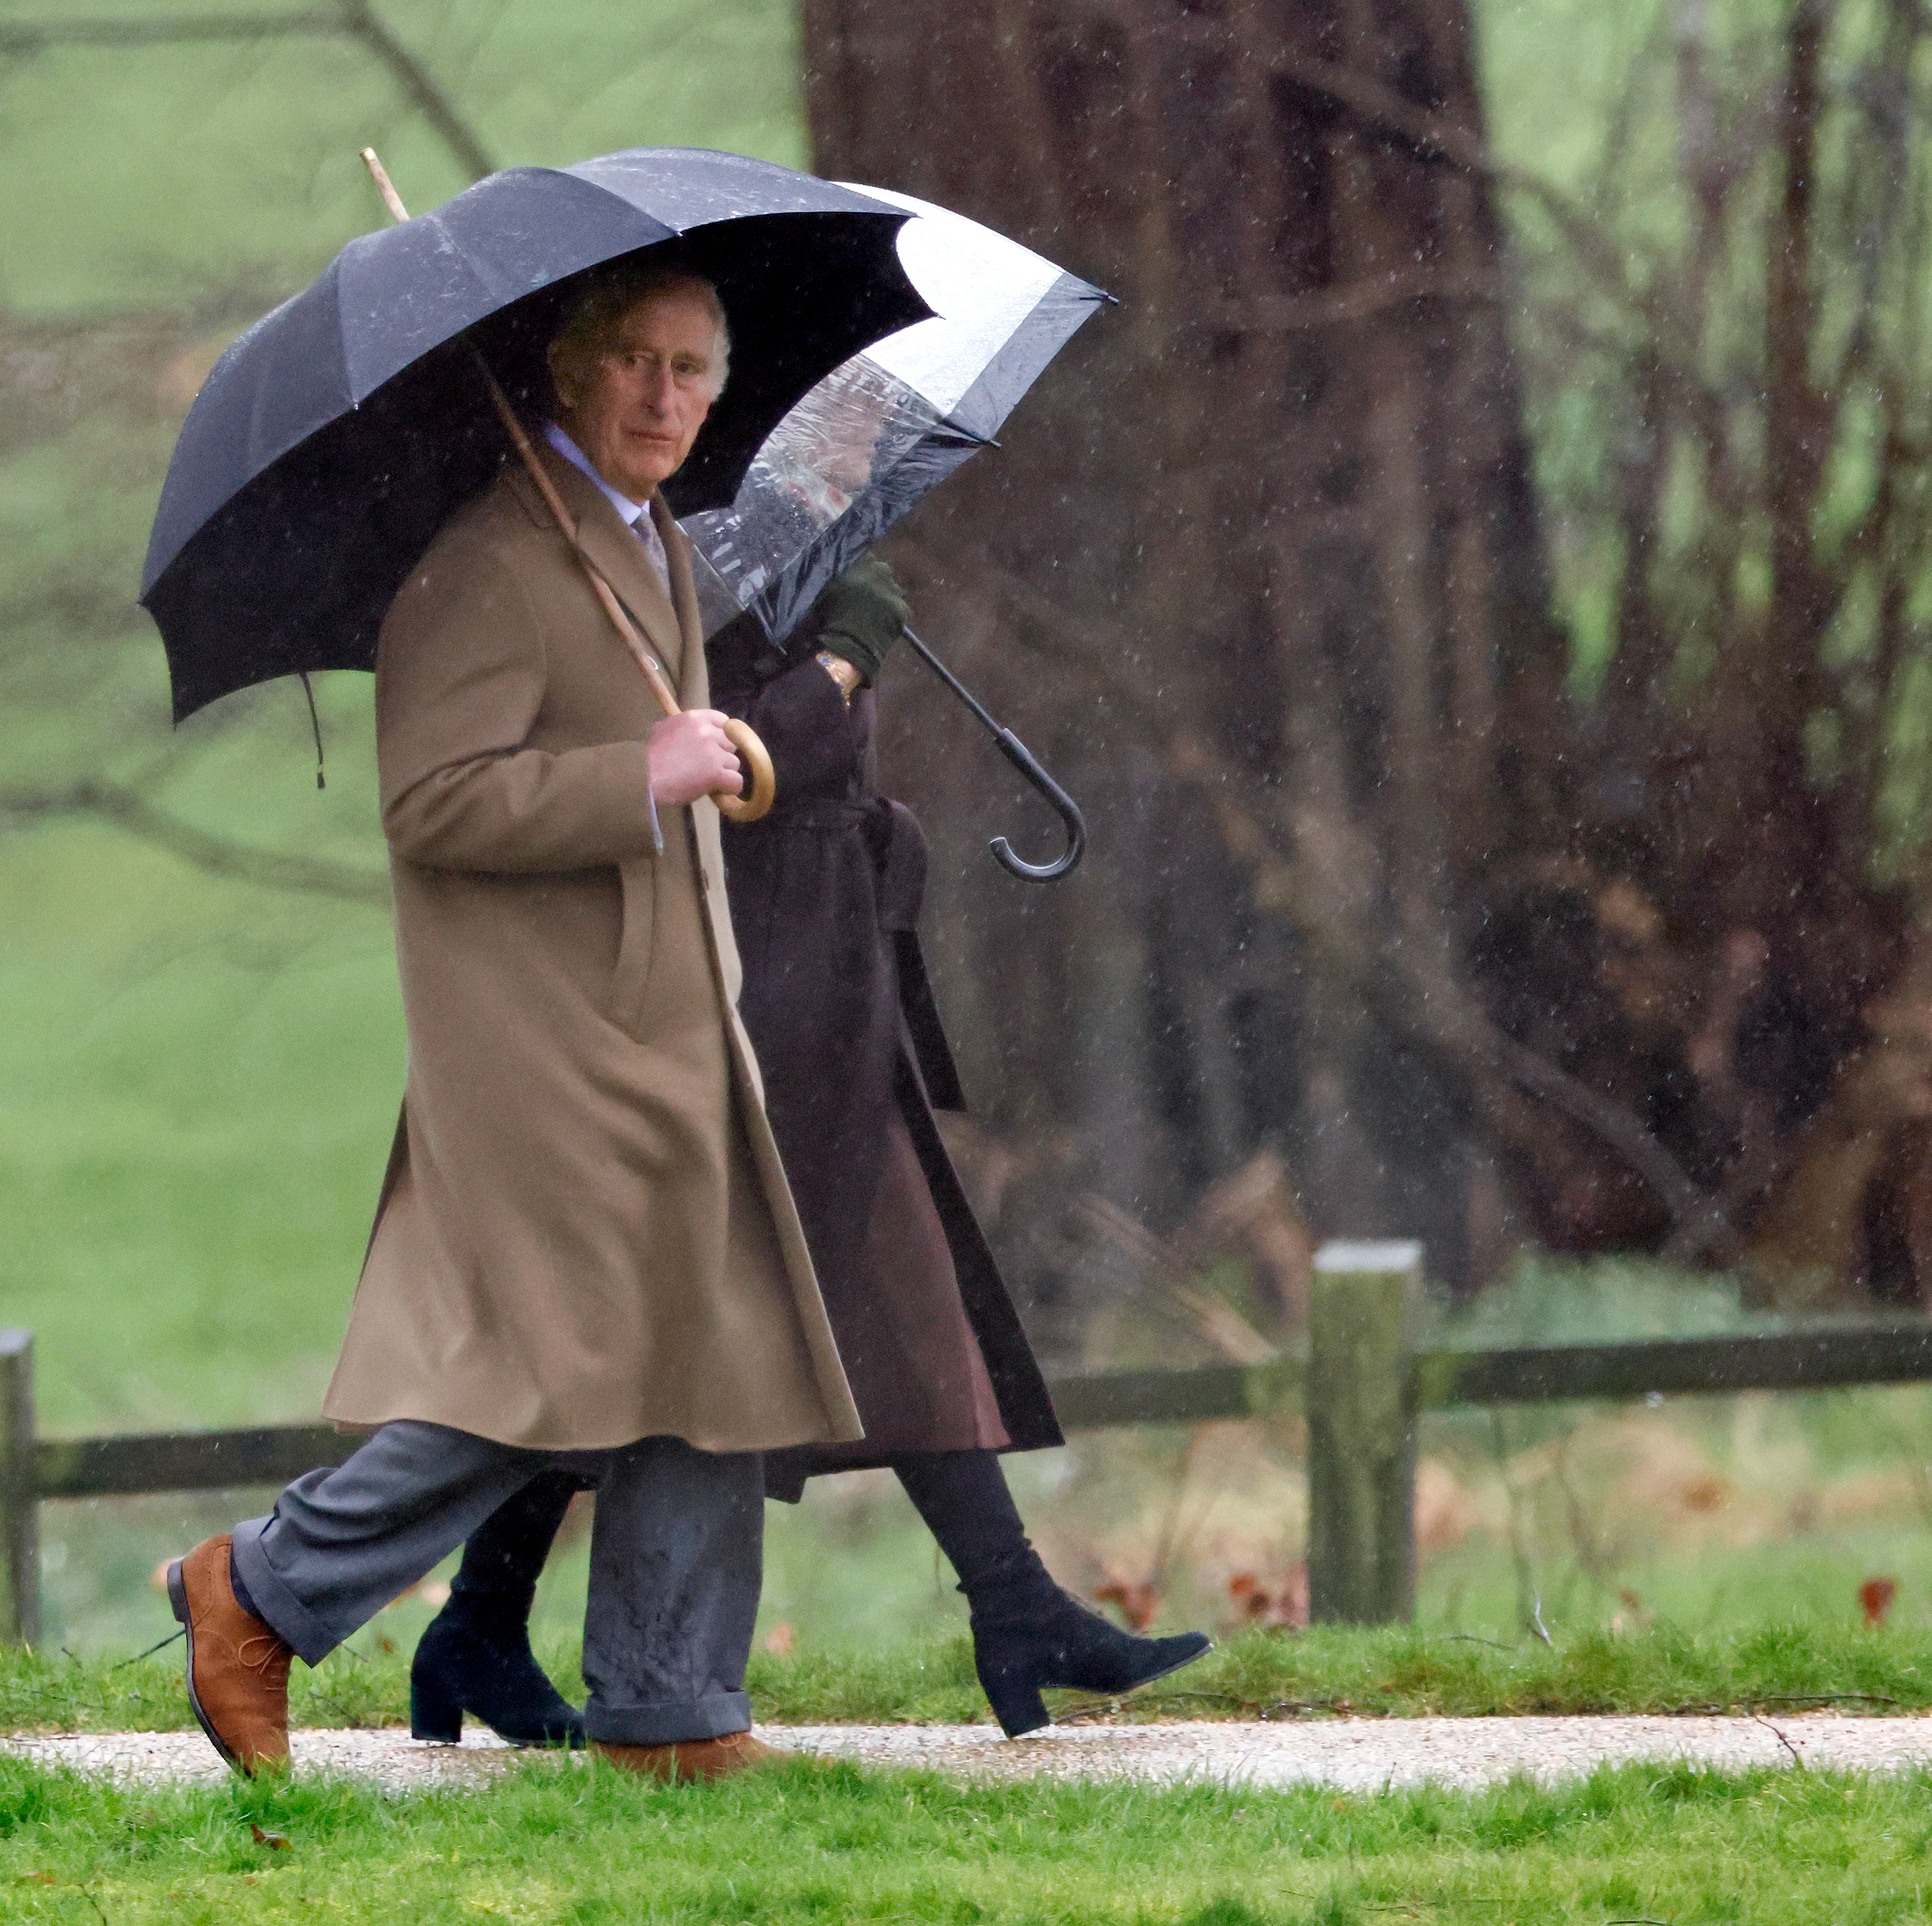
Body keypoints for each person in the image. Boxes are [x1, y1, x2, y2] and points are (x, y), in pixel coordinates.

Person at [166, 257, 862, 1784]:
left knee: (711, 1332)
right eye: (631, 360)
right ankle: (261, 1587)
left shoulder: (650, 542)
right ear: (564, 368)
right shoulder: (486, 563)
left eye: (690, 368)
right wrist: (642, 776)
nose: (663, 396)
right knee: (558, 1367)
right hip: (551, 1047)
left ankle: (670, 1713)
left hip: (671, 1025)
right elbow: (431, 803)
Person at [405, 560, 1212, 1744]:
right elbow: (741, 766)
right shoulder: (674, 570)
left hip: (830, 983)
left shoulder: (784, 553)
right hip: (750, 986)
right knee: (637, 1329)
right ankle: (471, 1613)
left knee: (906, 1290)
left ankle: (1013, 1601)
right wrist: (845, 657)